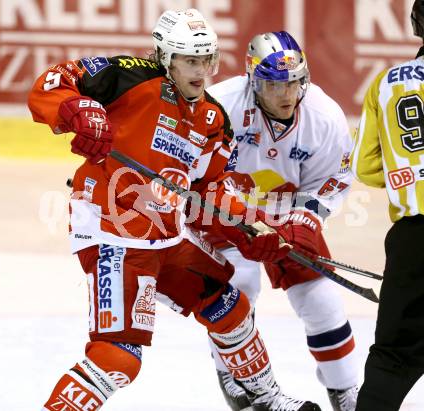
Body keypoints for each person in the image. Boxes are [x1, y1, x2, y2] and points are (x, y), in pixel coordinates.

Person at [28, 9, 321, 411]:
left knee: (231, 308)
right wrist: (77, 111)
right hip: (111, 234)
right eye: (190, 61)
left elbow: (211, 192)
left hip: (166, 237)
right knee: (119, 357)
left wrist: (251, 231)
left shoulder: (213, 119)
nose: (202, 71)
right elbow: (50, 84)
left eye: (207, 60)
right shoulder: (128, 75)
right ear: (166, 58)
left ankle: (266, 400)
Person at [204, 31, 359, 411]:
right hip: (229, 212)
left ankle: (346, 391)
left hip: (288, 211)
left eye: (294, 82)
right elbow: (195, 169)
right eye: (274, 85)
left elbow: (334, 180)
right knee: (238, 286)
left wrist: (307, 217)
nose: (287, 94)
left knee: (322, 302)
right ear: (254, 81)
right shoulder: (220, 105)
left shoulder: (323, 117)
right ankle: (233, 370)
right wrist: (229, 211)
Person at [351, 1, 424, 409]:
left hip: (413, 238)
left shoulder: (387, 83)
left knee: (393, 356)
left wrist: (408, 177)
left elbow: (364, 166)